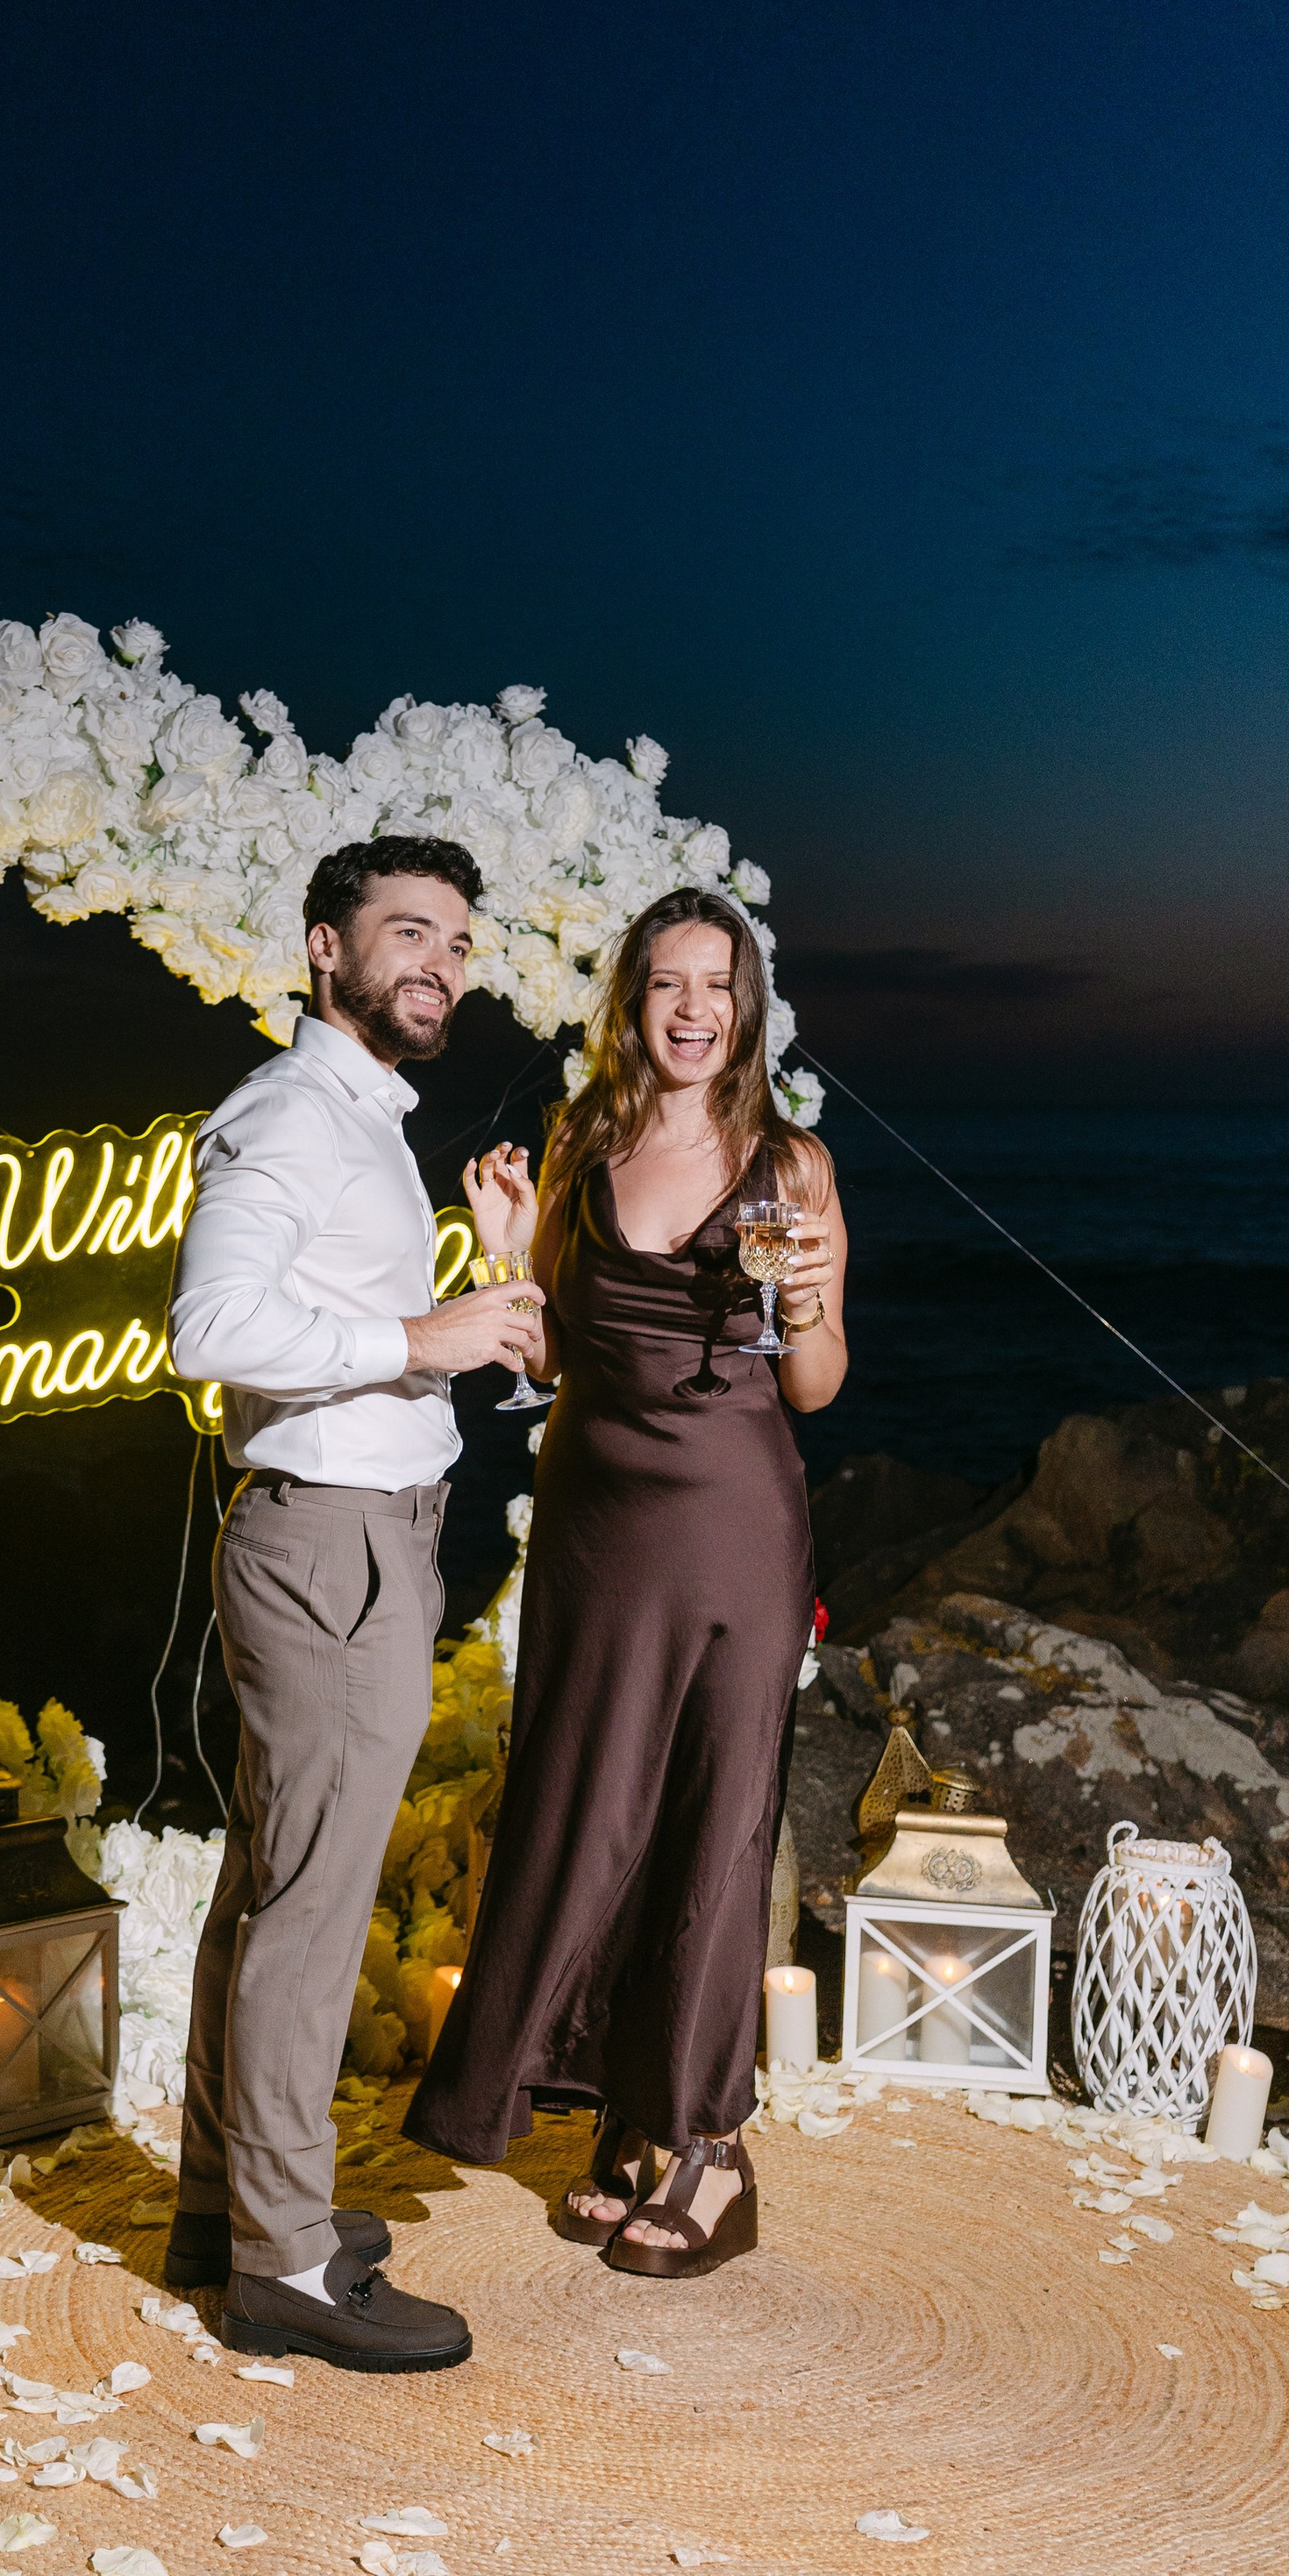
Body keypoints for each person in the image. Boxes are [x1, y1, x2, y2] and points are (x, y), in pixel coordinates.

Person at [403, 886, 847, 2278]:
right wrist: (499, 1254)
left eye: (718, 985)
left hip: (735, 1529)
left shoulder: (795, 1163)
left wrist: (820, 1299)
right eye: (669, 983)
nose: (693, 1009)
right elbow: (548, 1355)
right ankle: (618, 2112)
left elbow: (818, 1389)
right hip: (595, 1528)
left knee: (716, 1819)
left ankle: (712, 2147)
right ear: (634, 999)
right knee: (589, 1807)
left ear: (747, 1006)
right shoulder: (581, 1139)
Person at [165, 835, 542, 2370]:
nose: (437, 962)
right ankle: (289, 2267)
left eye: (454, 939)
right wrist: (421, 1332)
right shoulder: (288, 1115)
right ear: (327, 948)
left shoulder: (360, 1119)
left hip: (353, 1538)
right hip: (331, 1551)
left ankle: (226, 2205)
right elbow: (213, 1324)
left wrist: (480, 1284)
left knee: (273, 1887)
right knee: (312, 1913)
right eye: (406, 932)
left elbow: (354, 1316)